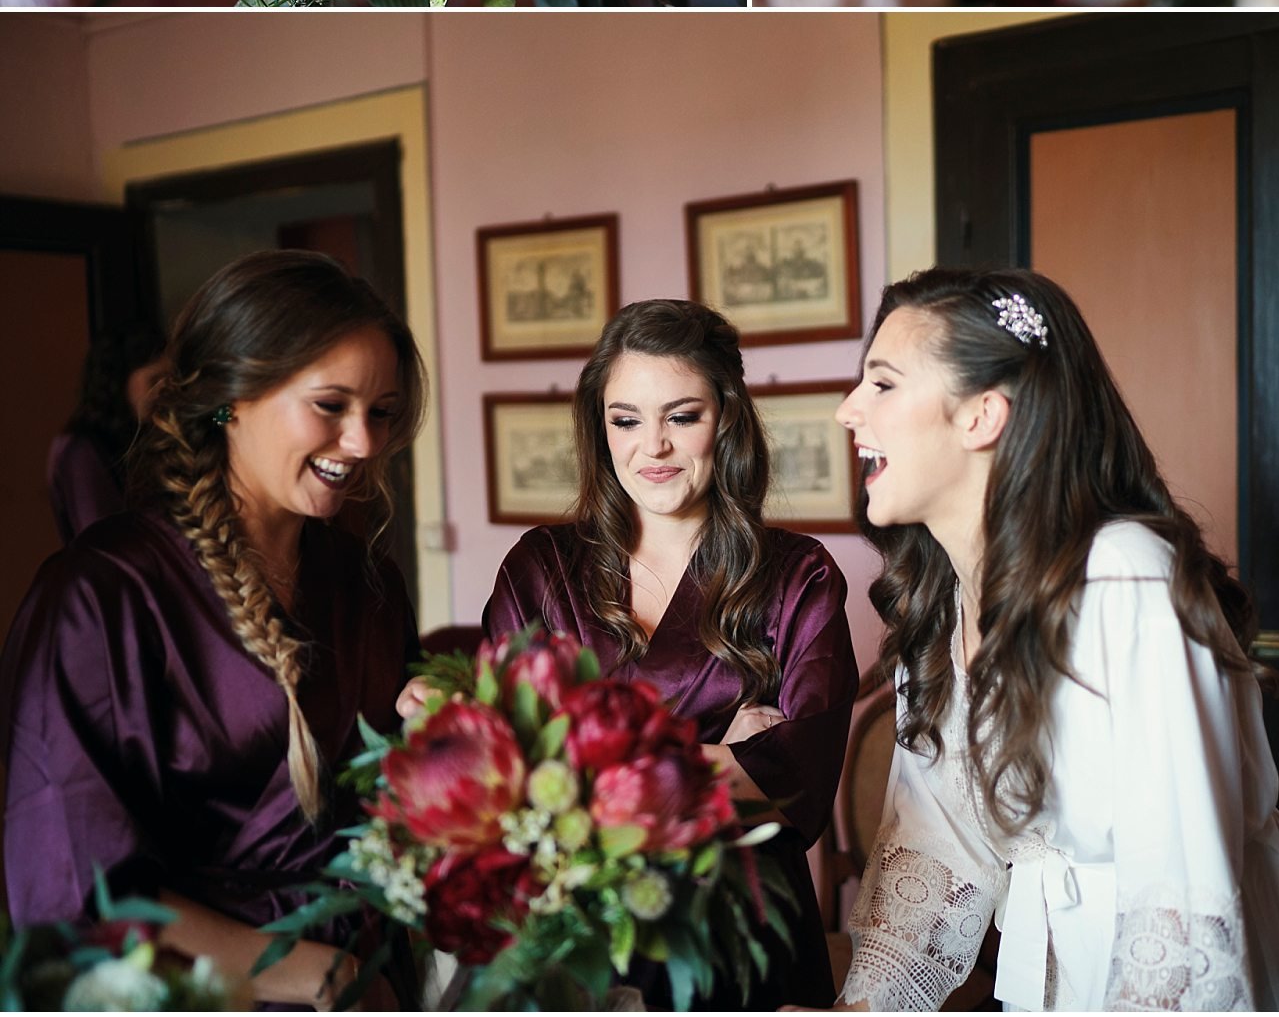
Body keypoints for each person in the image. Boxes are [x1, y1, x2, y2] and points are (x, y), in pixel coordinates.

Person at [832, 268, 1279, 1012]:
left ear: (981, 416)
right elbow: (937, 845)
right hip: (1045, 976)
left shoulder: (1125, 578)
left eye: (883, 384)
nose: (848, 411)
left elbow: (1178, 880)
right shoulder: (939, 605)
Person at [1, 250, 428, 1009]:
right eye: (330, 405)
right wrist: (311, 975)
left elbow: (393, 803)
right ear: (231, 397)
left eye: (382, 412)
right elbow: (71, 888)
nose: (364, 443)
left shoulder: (369, 587)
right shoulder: (99, 599)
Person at [467, 298, 858, 1009]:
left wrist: (583, 764)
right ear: (601, 427)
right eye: (626, 420)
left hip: (738, 931)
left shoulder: (800, 575)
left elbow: (799, 774)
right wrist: (719, 759)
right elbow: (502, 769)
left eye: (682, 416)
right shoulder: (539, 568)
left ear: (728, 417)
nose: (653, 447)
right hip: (578, 930)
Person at [47, 321, 166, 543]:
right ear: (119, 379)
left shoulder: (147, 436)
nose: (163, 390)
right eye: (154, 380)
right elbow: (101, 539)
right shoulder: (79, 449)